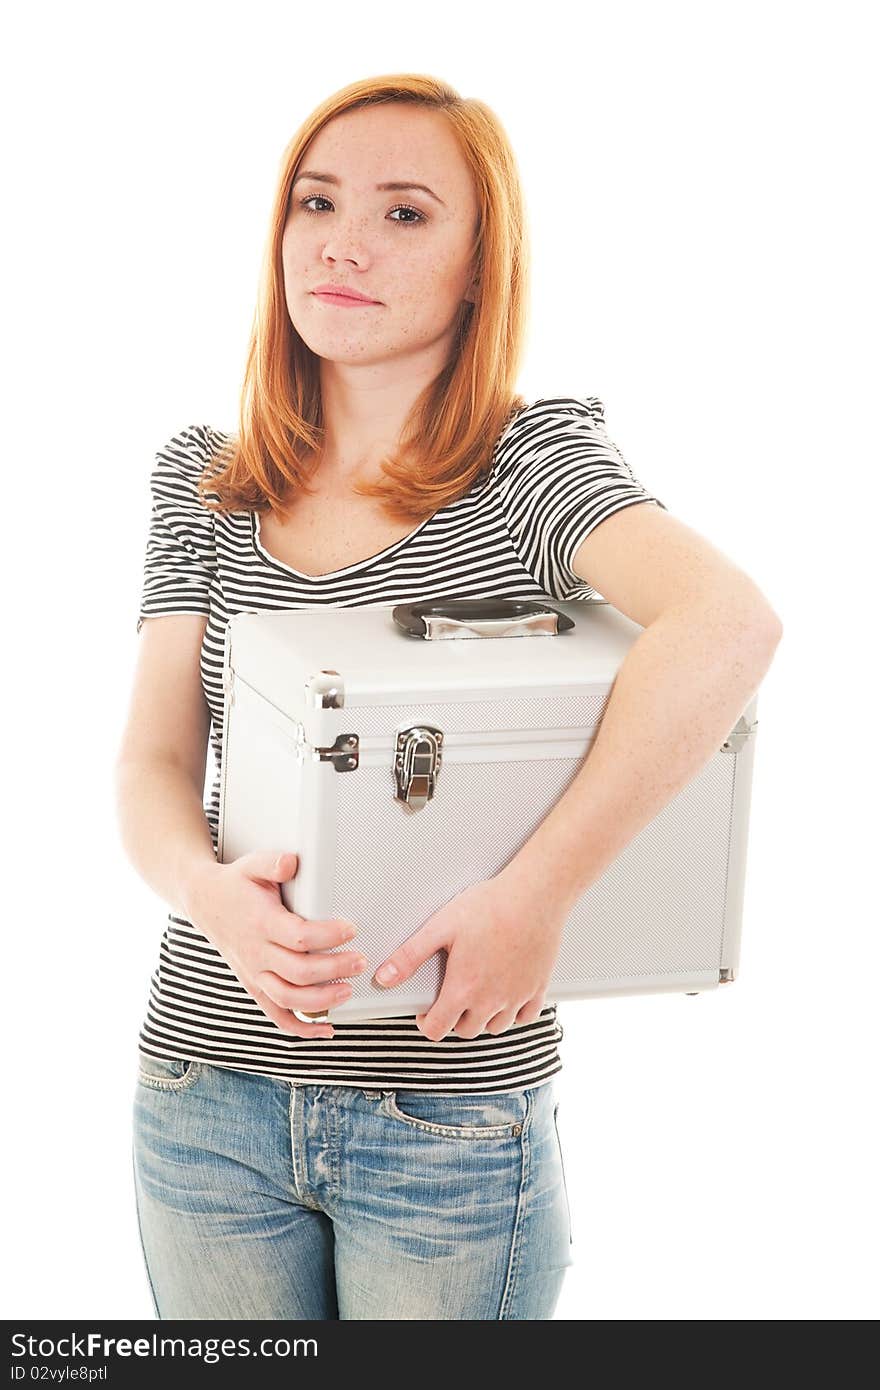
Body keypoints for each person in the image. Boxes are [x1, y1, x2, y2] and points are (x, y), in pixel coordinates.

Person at [117, 74, 775, 1321]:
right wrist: (209, 894)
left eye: (405, 214)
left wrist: (537, 897)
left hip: (447, 1113)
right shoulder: (205, 478)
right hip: (203, 1092)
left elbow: (728, 623)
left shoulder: (531, 464)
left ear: (482, 265)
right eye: (316, 203)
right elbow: (151, 763)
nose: (344, 241)